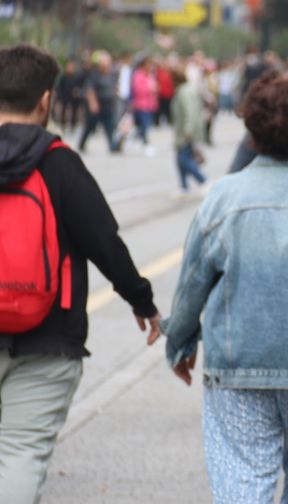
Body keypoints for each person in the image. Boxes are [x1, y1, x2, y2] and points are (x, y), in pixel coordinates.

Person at [162, 73, 288, 504]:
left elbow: (192, 285)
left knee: (241, 479)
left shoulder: (223, 197)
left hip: (238, 366)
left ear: (252, 130)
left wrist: (179, 344)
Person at [0, 45, 161, 503]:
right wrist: (141, 301)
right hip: (49, 335)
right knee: (20, 453)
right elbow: (103, 240)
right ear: (46, 101)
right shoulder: (58, 163)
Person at [170, 68, 209, 195]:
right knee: (180, 160)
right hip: (188, 130)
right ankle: (183, 186)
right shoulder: (188, 89)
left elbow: (189, 113)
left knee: (183, 159)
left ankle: (203, 180)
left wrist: (188, 131)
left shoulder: (184, 92)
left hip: (186, 132)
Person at [78, 50, 121, 153]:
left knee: (109, 126)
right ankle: (82, 144)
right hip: (98, 103)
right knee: (90, 125)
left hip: (108, 104)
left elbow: (114, 86)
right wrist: (93, 103)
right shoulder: (94, 74)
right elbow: (90, 89)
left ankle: (112, 145)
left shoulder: (112, 74)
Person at [131, 57, 159, 155]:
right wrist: (149, 89)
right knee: (144, 125)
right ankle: (146, 143)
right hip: (141, 104)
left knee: (144, 126)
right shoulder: (138, 75)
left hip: (150, 105)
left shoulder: (150, 75)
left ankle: (138, 139)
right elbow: (137, 89)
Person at [53, 59, 84, 133]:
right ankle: (63, 125)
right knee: (63, 110)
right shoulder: (64, 76)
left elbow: (79, 86)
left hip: (73, 96)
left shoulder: (76, 77)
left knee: (74, 111)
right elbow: (59, 86)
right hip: (65, 95)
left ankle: (73, 125)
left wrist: (77, 91)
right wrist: (59, 95)